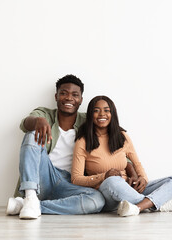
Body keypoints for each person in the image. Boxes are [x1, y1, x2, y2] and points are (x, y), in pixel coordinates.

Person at [6, 75, 111, 219]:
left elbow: (114, 139)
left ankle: (28, 206)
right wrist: (38, 121)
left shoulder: (88, 121)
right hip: (43, 177)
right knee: (32, 134)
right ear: (56, 96)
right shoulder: (45, 114)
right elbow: (25, 123)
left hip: (71, 184)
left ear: (80, 100)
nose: (69, 98)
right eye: (63, 93)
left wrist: (129, 166)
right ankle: (30, 196)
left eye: (75, 95)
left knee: (97, 200)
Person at [71, 95, 172, 217]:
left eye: (106, 110)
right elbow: (75, 179)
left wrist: (143, 179)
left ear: (112, 114)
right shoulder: (83, 141)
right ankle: (158, 203)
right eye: (96, 110)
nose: (101, 114)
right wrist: (103, 176)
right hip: (108, 193)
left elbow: (137, 163)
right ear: (90, 115)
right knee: (113, 180)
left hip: (130, 189)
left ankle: (137, 207)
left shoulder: (122, 136)